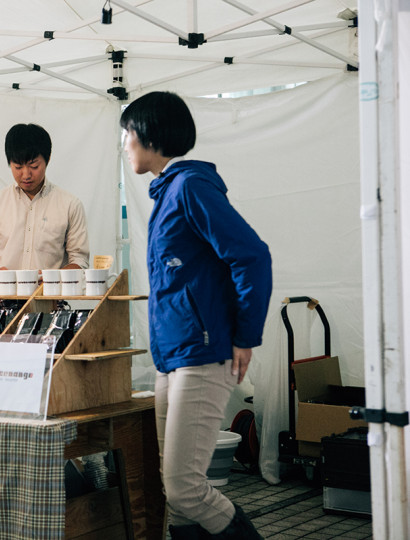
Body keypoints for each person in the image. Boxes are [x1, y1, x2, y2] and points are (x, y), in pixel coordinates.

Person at [120, 92, 272, 539]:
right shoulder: (167, 191)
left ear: (148, 135)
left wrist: (245, 336)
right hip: (175, 357)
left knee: (185, 490)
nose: (125, 144)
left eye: (128, 134)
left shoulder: (189, 187)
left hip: (203, 354)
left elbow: (251, 256)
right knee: (179, 494)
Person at [0, 123, 89, 274]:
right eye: (18, 167)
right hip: (3, 295)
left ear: (48, 159)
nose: (26, 175)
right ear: (9, 163)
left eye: (34, 166)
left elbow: (80, 260)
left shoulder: (70, 205)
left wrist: (51, 278)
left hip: (49, 295)